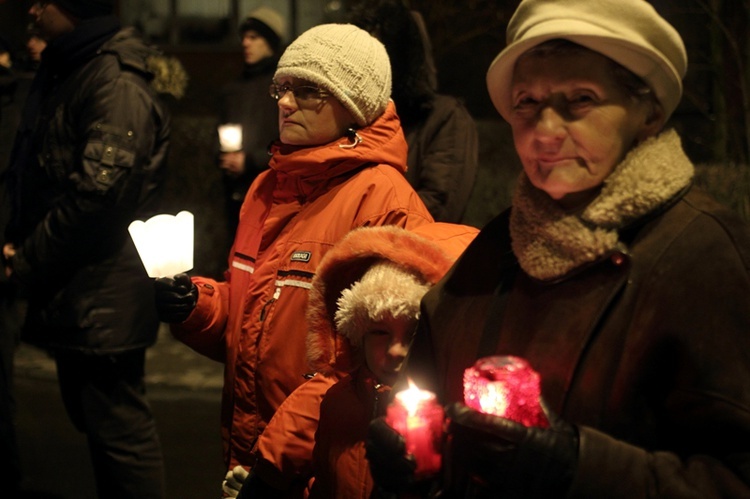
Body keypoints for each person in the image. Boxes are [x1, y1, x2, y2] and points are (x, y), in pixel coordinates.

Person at [365, 0, 750, 497]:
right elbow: (423, 399)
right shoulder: (492, 251)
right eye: (527, 102)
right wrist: (414, 463)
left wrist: (579, 467)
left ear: (648, 111)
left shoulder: (706, 257)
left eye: (581, 99)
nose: (544, 130)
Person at [153, 22, 434, 491]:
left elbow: (370, 369)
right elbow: (253, 315)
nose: (284, 102)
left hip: (319, 472)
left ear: (355, 105)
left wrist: (276, 461)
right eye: (282, 87)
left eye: (308, 91)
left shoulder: (385, 202)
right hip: (249, 457)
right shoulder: (267, 188)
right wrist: (198, 306)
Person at [2, 1, 174, 497]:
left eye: (44, 0)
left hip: (104, 293)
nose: (31, 10)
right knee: (103, 428)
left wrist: (27, 258)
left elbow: (97, 197)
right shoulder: (80, 69)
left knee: (120, 435)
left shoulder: (112, 82)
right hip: (86, 288)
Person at [229, 223, 477, 498]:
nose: (396, 350)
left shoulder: (469, 426)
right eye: (379, 332)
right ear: (357, 335)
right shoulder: (336, 403)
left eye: (415, 330)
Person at [348, 0, 478, 224]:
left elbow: (438, 205)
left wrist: (355, 226)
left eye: (377, 52)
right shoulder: (352, 120)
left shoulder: (444, 118)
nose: (365, 67)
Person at [216, 6, 286, 245]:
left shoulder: (281, 89)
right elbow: (223, 134)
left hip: (272, 192)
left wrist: (250, 160)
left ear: (269, 42)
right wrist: (224, 158)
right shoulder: (233, 89)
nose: (245, 43)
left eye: (253, 37)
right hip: (236, 193)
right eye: (244, 37)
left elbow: (286, 142)